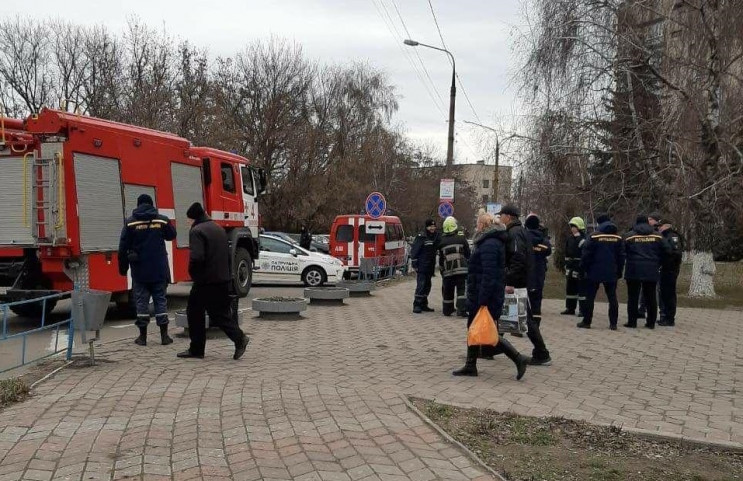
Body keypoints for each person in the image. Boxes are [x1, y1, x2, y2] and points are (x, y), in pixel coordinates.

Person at [452, 213, 529, 379]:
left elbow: (489, 274)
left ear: (484, 225)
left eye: (478, 223)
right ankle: (470, 365)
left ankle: (518, 358)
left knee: (487, 332)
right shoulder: (489, 241)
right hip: (481, 293)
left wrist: (482, 300)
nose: (476, 226)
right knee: (474, 329)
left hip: (484, 295)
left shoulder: (489, 244)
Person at [177, 202, 249, 359]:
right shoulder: (218, 228)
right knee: (219, 314)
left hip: (205, 281)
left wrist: (193, 274)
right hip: (222, 279)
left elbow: (197, 257)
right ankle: (239, 339)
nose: (188, 222)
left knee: (194, 313)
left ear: (193, 217)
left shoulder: (197, 231)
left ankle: (197, 349)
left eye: (188, 219)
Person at [118, 194, 177, 346]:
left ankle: (142, 337)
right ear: (151, 204)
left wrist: (123, 268)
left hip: (140, 271)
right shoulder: (161, 220)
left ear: (138, 205)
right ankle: (164, 336)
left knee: (142, 302)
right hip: (159, 269)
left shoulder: (131, 223)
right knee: (160, 300)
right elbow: (172, 235)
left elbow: (123, 246)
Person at [498, 204, 552, 366]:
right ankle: (490, 347)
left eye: (502, 215)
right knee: (505, 315)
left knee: (525, 319)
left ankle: (542, 353)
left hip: (516, 283)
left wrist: (509, 281)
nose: (500, 218)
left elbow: (518, 259)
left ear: (508, 216)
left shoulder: (514, 233)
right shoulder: (520, 231)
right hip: (519, 281)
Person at [577, 213, 625, 330]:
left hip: (594, 271)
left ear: (598, 223)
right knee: (612, 297)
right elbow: (621, 257)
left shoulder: (593, 237)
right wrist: (619, 271)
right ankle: (613, 324)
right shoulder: (618, 238)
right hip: (611, 271)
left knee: (590, 297)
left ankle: (587, 321)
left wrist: (583, 269)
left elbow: (586, 255)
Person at [623, 215, 669, 329]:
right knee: (651, 296)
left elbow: (622, 251)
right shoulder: (657, 236)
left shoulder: (629, 236)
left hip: (633, 269)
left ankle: (632, 322)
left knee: (633, 297)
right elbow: (667, 250)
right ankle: (651, 323)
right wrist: (659, 262)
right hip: (651, 269)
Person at [438, 216, 470, 317]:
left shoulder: (441, 241)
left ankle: (447, 310)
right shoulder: (461, 238)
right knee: (461, 289)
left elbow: (441, 258)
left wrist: (442, 270)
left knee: (448, 290)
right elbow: (467, 253)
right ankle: (462, 310)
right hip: (461, 270)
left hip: (448, 271)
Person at [524, 214, 552, 327]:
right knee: (536, 300)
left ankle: (522, 324)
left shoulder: (523, 238)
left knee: (522, 300)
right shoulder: (544, 240)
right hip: (538, 273)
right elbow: (548, 251)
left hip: (524, 273)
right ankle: (536, 326)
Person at [658, 218, 684, 326]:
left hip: (670, 269)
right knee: (663, 293)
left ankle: (670, 318)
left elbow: (676, 253)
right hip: (664, 269)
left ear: (666, 226)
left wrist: (667, 261)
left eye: (661, 226)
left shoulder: (672, 236)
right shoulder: (664, 236)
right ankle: (665, 316)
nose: (659, 228)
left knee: (669, 294)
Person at [410, 218, 440, 313]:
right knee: (421, 285)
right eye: (430, 226)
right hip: (422, 265)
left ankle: (424, 304)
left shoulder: (435, 236)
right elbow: (415, 251)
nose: (432, 228)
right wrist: (414, 263)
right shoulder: (421, 236)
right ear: (426, 227)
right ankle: (417, 305)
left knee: (428, 285)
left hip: (430, 266)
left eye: (434, 226)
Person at [562, 217, 587, 316]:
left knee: (581, 289)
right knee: (570, 288)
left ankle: (583, 309)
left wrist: (581, 266)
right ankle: (570, 308)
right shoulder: (570, 238)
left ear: (579, 227)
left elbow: (584, 254)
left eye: (574, 226)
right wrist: (566, 265)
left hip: (579, 266)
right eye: (571, 226)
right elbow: (567, 253)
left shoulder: (583, 239)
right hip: (570, 266)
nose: (572, 228)